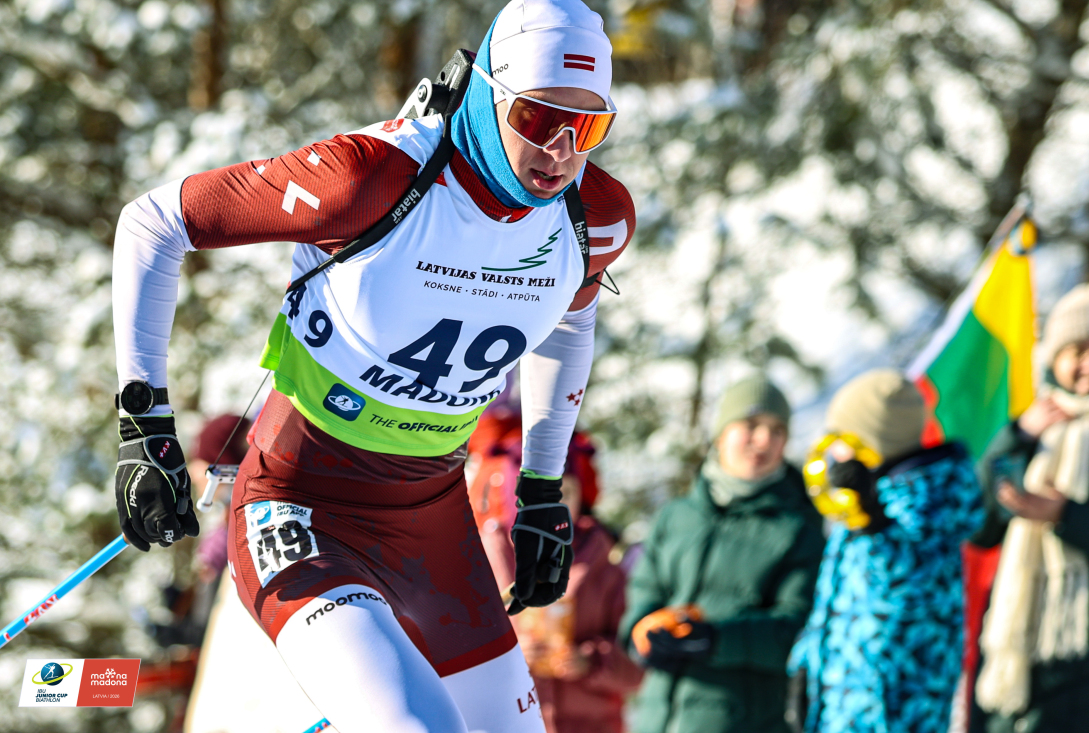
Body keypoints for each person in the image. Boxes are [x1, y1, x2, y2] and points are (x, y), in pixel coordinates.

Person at [109, 0, 635, 730]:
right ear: (489, 94)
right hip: (300, 502)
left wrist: (542, 489)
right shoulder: (371, 177)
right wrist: (145, 425)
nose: (561, 151)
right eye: (538, 118)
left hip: (433, 523)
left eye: (588, 128)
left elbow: (571, 322)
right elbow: (154, 222)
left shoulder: (594, 217)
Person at [619, 374, 826, 733]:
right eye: (751, 425)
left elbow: (799, 629)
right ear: (721, 434)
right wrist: (640, 636)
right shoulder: (677, 515)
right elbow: (644, 592)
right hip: (656, 718)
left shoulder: (799, 527)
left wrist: (718, 639)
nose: (764, 439)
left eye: (777, 430)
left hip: (745, 721)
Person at [788, 369, 983, 733]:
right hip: (842, 702)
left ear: (868, 444)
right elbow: (838, 596)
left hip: (894, 710)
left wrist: (874, 522)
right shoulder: (870, 501)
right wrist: (807, 665)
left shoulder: (929, 501)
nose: (834, 453)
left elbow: (899, 581)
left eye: (840, 439)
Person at [970, 282, 1089, 733]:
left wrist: (1065, 517)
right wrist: (1016, 437)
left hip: (1087, 659)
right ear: (1054, 357)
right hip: (1019, 654)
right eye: (1078, 350)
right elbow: (979, 524)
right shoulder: (1031, 430)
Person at [480, 431, 644, 733]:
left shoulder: (605, 562)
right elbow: (449, 649)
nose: (552, 506)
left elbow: (637, 664)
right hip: (507, 723)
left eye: (565, 492)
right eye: (536, 496)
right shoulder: (483, 559)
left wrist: (590, 661)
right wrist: (509, 658)